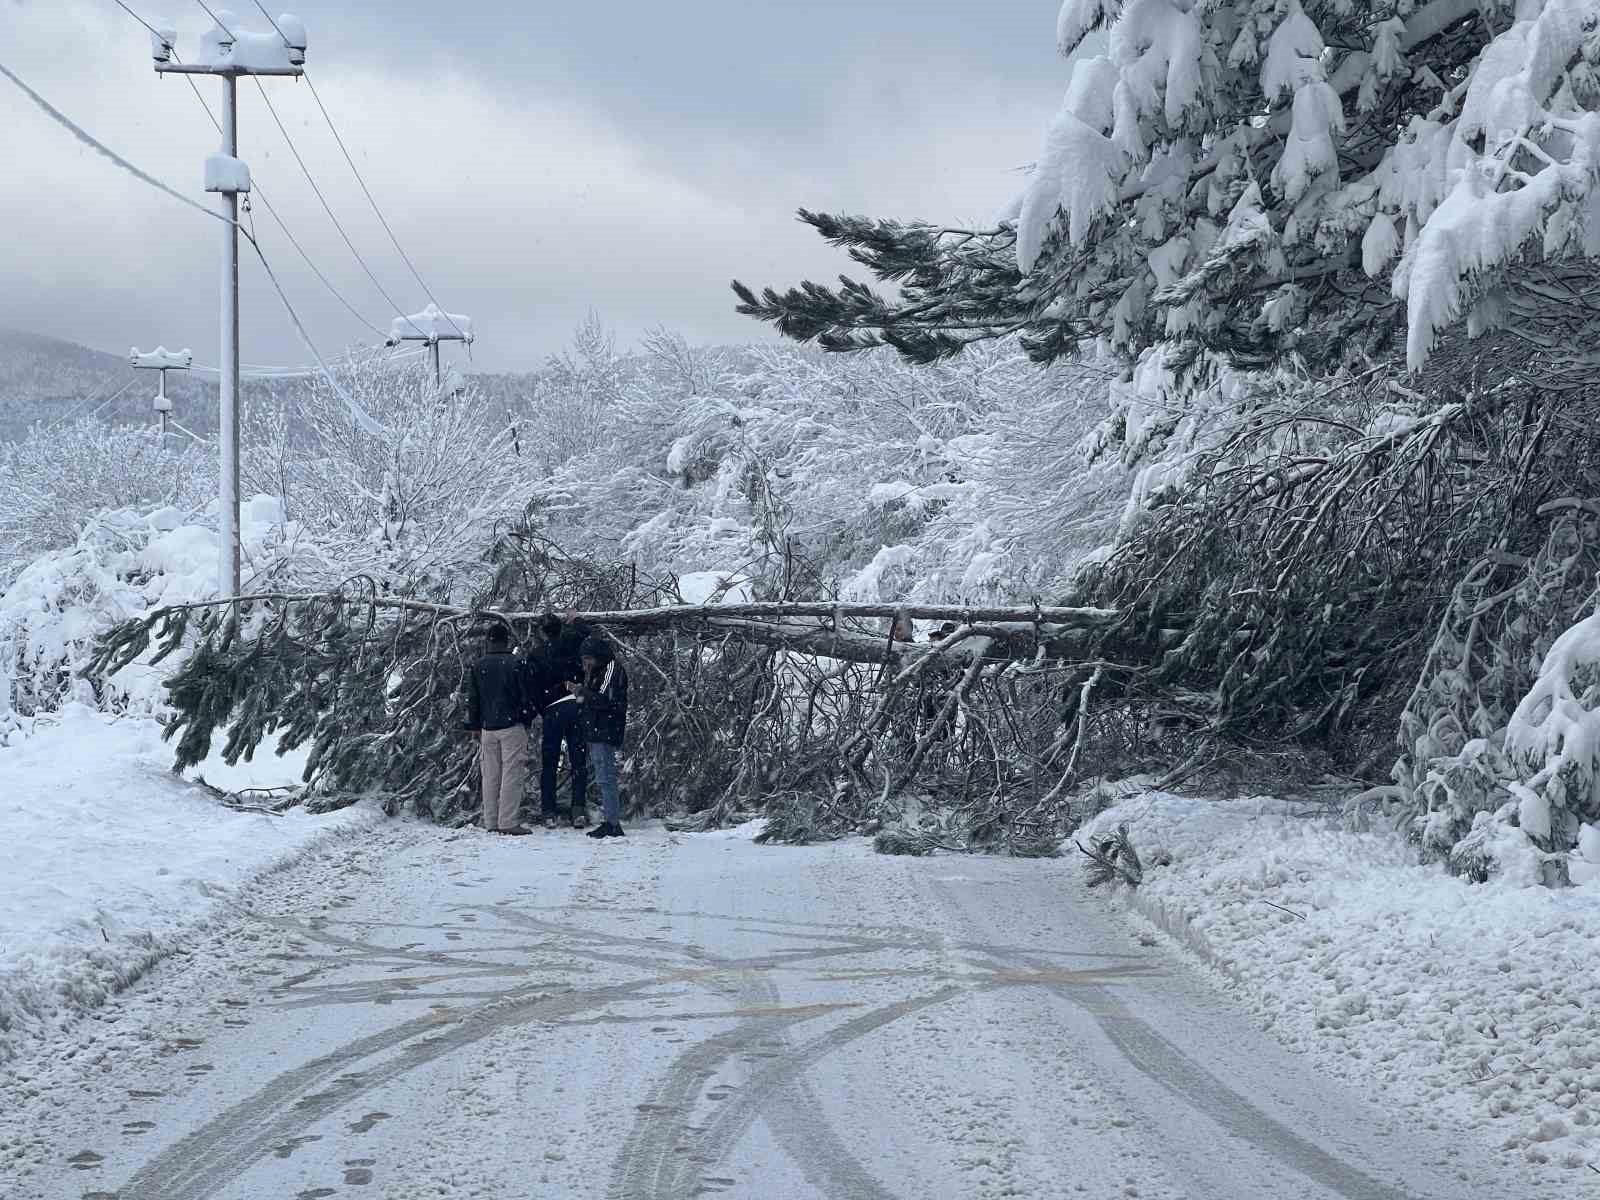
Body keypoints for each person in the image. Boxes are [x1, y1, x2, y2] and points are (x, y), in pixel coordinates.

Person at [525, 608, 592, 828]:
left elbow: (532, 688)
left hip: (552, 709)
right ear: (560, 628)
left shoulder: (536, 654)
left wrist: (542, 709)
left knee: (550, 761)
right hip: (575, 704)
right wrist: (574, 618)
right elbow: (584, 630)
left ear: (542, 632)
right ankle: (578, 810)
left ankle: (549, 812)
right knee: (578, 759)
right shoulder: (571, 643)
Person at [463, 623, 532, 836]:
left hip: (487, 727)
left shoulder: (478, 665)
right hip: (511, 725)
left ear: (489, 641)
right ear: (508, 640)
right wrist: (526, 718)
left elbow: (472, 699)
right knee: (512, 774)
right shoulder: (517, 663)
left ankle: (490, 820)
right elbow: (526, 696)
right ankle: (508, 821)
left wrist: (474, 725)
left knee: (490, 775)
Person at [572, 635, 629, 839]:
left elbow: (604, 700)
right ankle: (610, 821)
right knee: (603, 777)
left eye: (588, 658)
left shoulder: (611, 669)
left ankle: (612, 823)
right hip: (596, 729)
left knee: (606, 777)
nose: (586, 663)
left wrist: (581, 691)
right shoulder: (598, 671)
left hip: (604, 730)